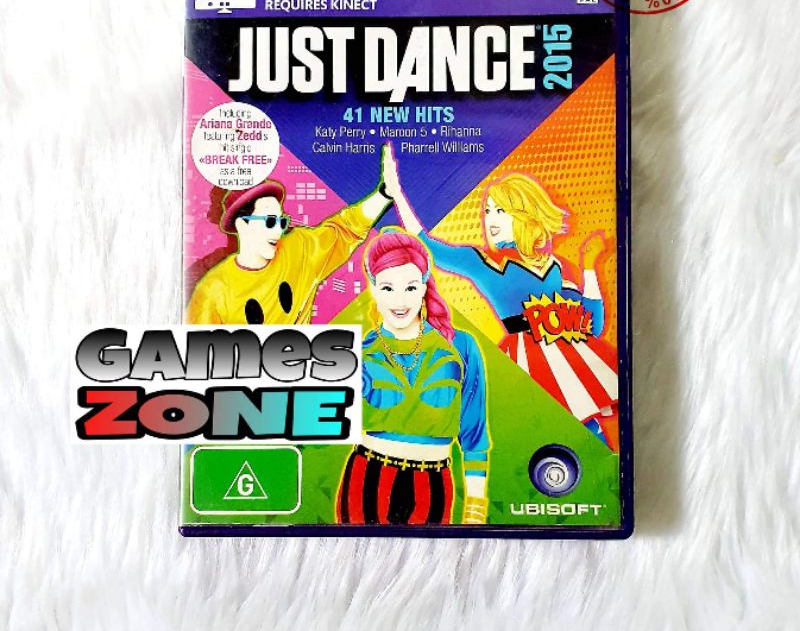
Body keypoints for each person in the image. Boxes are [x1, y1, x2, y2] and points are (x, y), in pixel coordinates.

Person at [382, 146, 619, 449]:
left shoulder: (556, 267)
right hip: (525, 364)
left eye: (500, 211)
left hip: (568, 363)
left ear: (525, 215)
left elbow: (592, 326)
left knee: (586, 429)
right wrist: (397, 193)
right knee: (531, 433)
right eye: (488, 211)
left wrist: (589, 268)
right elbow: (432, 249)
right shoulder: (486, 264)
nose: (490, 219)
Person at [337, 230, 490, 526]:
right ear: (373, 288)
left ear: (423, 286)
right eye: (387, 288)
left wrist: (475, 508)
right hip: (367, 478)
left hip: (434, 483)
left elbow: (474, 433)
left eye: (409, 287)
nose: (400, 300)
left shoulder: (460, 346)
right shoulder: (360, 351)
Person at [187, 146, 394, 324]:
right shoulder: (212, 293)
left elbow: (344, 228)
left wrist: (384, 193)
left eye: (281, 222)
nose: (278, 231)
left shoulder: (300, 250)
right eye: (269, 222)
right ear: (242, 225)